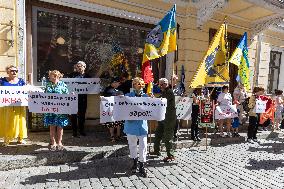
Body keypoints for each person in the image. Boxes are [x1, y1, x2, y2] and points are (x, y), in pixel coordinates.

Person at [124, 77, 148, 177]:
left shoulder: (146, 96)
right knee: (132, 145)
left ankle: (142, 165)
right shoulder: (128, 96)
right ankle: (134, 162)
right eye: (136, 83)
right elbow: (119, 105)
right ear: (133, 85)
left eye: (141, 83)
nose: (139, 85)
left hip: (142, 125)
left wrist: (154, 100)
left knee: (143, 146)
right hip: (131, 125)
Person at [0, 65, 27, 146]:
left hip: (18, 106)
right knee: (7, 121)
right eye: (12, 71)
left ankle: (20, 138)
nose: (14, 72)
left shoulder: (21, 81)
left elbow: (25, 91)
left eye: (16, 71)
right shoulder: (2, 80)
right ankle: (6, 139)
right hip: (6, 105)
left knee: (20, 121)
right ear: (7, 72)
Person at [44, 70, 69, 151]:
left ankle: (59, 143)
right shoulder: (48, 85)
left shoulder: (63, 85)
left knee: (60, 126)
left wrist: (71, 96)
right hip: (50, 109)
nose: (49, 77)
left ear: (56, 76)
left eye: (51, 75)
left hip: (60, 109)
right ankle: (53, 142)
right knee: (52, 126)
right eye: (50, 76)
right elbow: (44, 96)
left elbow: (67, 95)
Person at [152, 78, 176, 162]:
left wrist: (155, 99)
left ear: (167, 84)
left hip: (169, 119)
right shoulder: (164, 92)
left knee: (167, 138)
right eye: (160, 84)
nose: (161, 86)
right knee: (158, 134)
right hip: (162, 118)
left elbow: (162, 101)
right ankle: (156, 151)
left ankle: (171, 155)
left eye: (162, 84)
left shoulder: (170, 91)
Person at [69, 61, 90, 137]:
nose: (78, 67)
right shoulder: (72, 75)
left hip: (83, 98)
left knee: (82, 115)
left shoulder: (87, 76)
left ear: (84, 67)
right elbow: (68, 85)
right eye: (77, 66)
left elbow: (91, 86)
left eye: (80, 66)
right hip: (73, 98)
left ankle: (81, 130)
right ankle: (74, 132)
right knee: (73, 115)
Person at [103, 77, 124, 142]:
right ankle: (112, 136)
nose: (119, 84)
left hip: (118, 109)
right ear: (114, 83)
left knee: (119, 123)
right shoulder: (108, 89)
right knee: (111, 123)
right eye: (118, 83)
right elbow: (109, 96)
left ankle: (118, 135)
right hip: (110, 109)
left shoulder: (119, 89)